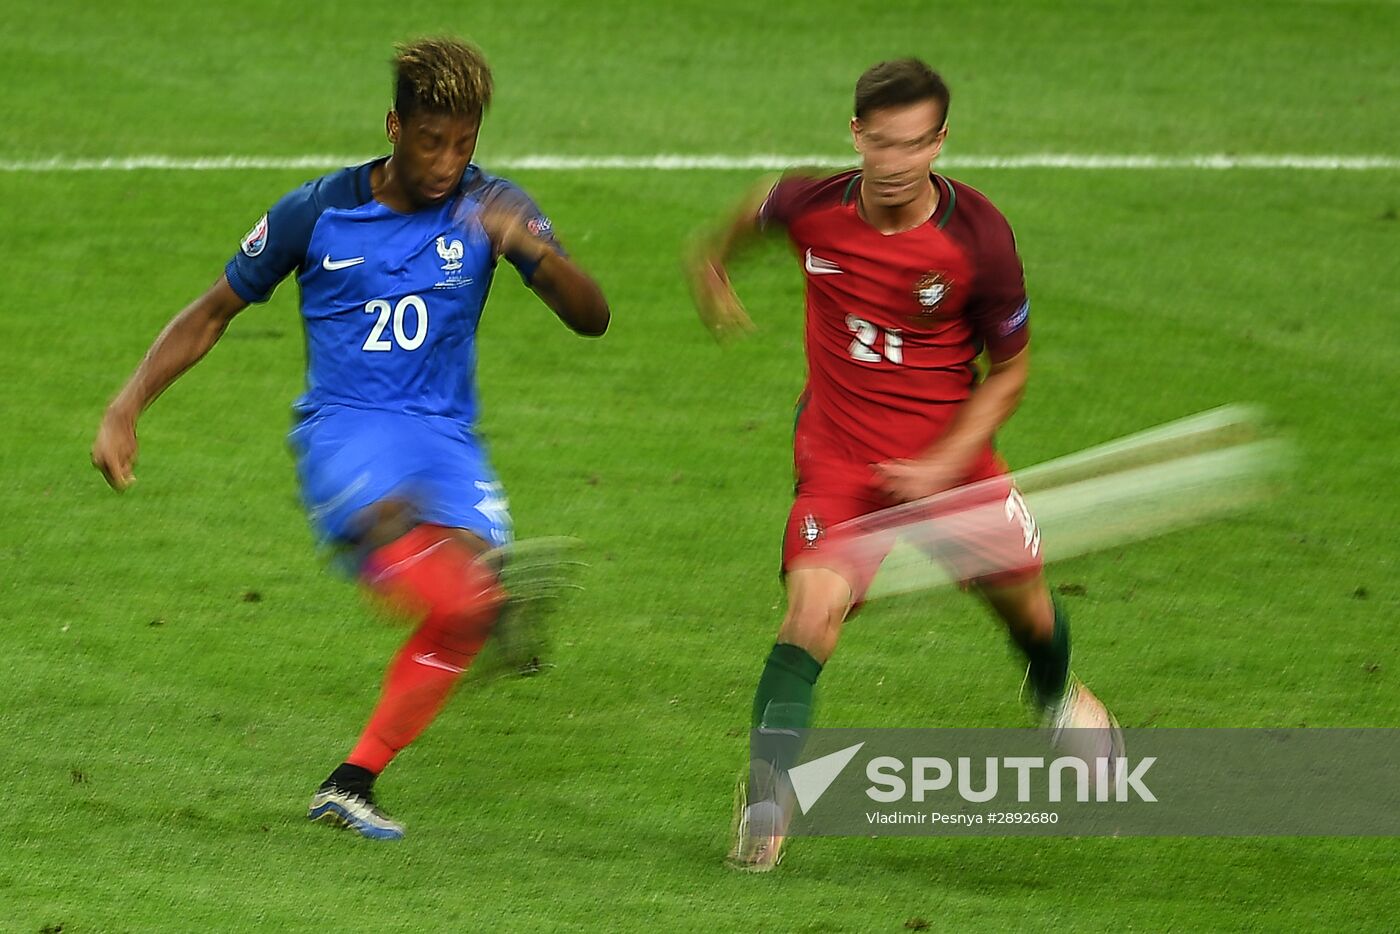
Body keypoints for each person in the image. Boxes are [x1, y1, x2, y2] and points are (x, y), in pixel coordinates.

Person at [91, 37, 610, 840]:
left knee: (467, 611)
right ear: (394, 126)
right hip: (348, 433)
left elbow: (592, 319)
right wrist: (127, 405)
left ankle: (351, 781)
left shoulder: (493, 206)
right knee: (419, 549)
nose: (448, 162)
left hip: (445, 439)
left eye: (465, 143)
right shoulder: (317, 212)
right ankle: (469, 589)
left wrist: (530, 245)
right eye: (432, 141)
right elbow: (210, 313)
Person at [686, 58, 1120, 871]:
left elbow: (1012, 371)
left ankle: (1058, 696)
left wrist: (942, 463)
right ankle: (767, 793)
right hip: (840, 456)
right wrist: (712, 265)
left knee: (1025, 612)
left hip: (951, 460)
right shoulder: (812, 206)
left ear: (940, 141)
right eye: (882, 145)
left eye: (915, 146)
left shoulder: (977, 238)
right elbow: (755, 213)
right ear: (857, 135)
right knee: (811, 613)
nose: (895, 166)